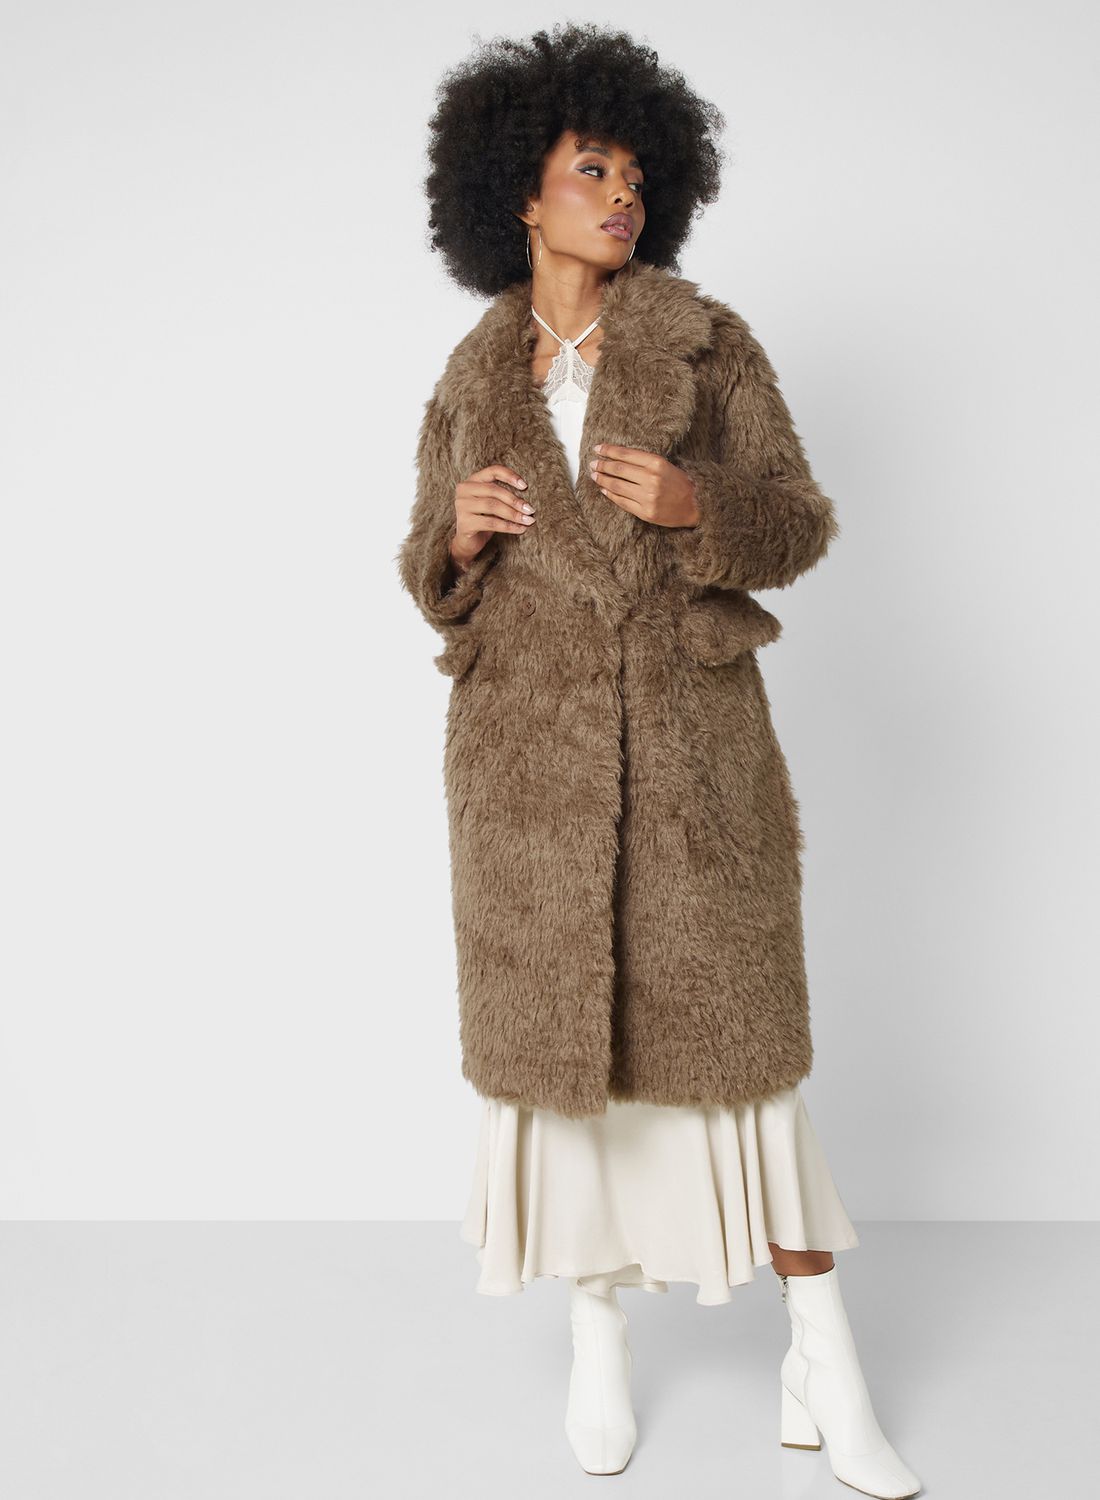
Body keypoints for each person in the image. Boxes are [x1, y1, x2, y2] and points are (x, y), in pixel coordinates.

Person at [397, 23, 922, 1498]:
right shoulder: (475, 368)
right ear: (520, 193)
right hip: (529, 773)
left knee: (742, 1061)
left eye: (637, 173)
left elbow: (797, 519)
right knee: (572, 1066)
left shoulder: (705, 338)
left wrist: (700, 506)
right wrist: (453, 539)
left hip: (691, 757)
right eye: (591, 169)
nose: (621, 194)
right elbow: (424, 567)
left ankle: (824, 1353)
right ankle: (599, 1338)